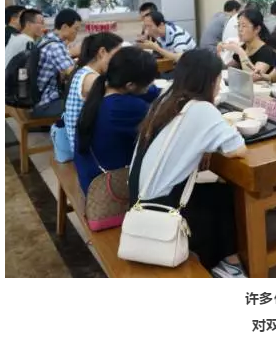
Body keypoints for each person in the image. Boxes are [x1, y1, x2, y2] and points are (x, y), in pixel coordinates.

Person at [129, 49, 248, 277]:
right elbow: (238, 149)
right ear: (211, 81)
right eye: (218, 80)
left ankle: (222, 259)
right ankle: (229, 265)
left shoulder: (166, 97)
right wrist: (225, 128)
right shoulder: (201, 109)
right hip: (163, 213)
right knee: (224, 195)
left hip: (139, 200)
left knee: (213, 191)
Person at [74, 46, 159, 195]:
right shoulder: (128, 107)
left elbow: (148, 92)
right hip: (108, 191)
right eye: (149, 83)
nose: (150, 86)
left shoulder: (100, 91)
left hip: (89, 177)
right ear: (130, 85)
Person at [63, 32, 123, 153]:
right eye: (116, 56)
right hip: (85, 149)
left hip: (80, 142)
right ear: (102, 52)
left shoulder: (83, 71)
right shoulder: (91, 79)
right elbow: (117, 96)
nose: (119, 61)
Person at [33, 8, 82, 118]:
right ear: (64, 27)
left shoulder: (46, 38)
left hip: (38, 100)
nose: (77, 33)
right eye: (76, 29)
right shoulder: (55, 46)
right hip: (45, 104)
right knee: (88, 105)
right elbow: (74, 74)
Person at [219, 8, 276, 75]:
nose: (240, 29)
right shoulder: (244, 47)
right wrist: (218, 54)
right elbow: (226, 69)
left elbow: (254, 76)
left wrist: (240, 51)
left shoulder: (267, 51)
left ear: (257, 29)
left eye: (244, 26)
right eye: (238, 25)